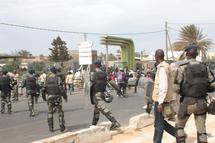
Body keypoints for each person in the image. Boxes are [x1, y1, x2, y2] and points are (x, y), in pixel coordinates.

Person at [174, 44, 214, 143]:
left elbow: (176, 88)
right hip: (202, 102)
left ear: (187, 54)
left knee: (179, 127)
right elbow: (213, 84)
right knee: (202, 131)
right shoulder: (205, 67)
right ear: (196, 54)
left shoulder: (182, 68)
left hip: (187, 102)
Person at [152, 49, 176, 143]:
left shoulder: (162, 68)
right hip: (165, 100)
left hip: (161, 101)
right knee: (161, 122)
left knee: (158, 125)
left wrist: (160, 103)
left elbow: (163, 86)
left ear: (156, 57)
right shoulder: (166, 66)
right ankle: (179, 135)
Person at [90, 60, 120, 130]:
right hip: (102, 93)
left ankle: (114, 122)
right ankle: (93, 124)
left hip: (96, 93)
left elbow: (90, 85)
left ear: (95, 65)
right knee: (97, 109)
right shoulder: (104, 74)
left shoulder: (93, 74)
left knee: (102, 108)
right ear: (100, 65)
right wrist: (118, 89)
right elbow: (112, 82)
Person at [42, 66, 67, 132]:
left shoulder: (46, 79)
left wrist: (44, 97)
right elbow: (61, 89)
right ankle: (62, 126)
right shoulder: (58, 78)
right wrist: (65, 97)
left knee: (50, 112)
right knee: (60, 112)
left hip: (49, 97)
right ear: (55, 71)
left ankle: (51, 127)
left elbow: (43, 89)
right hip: (57, 97)